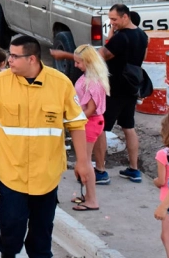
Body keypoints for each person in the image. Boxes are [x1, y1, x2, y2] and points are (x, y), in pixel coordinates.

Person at [0, 35, 90, 258]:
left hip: (47, 174)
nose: (9, 60)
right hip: (12, 174)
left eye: (15, 56)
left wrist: (83, 163)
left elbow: (77, 123)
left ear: (32, 58)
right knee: (11, 227)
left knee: (41, 236)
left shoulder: (60, 84)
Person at [51, 3, 149, 184]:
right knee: (129, 126)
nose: (111, 22)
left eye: (114, 19)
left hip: (115, 88)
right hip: (132, 86)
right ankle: (134, 169)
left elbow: (96, 57)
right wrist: (113, 31)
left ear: (125, 17)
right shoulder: (141, 35)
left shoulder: (121, 39)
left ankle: (101, 170)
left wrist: (64, 54)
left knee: (101, 128)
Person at [70, 44, 109, 212]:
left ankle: (92, 200)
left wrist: (74, 120)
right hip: (90, 122)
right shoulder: (91, 77)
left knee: (85, 162)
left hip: (90, 122)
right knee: (84, 161)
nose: (76, 65)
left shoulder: (92, 81)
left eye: (79, 62)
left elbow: (90, 110)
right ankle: (87, 195)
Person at [153, 110, 169, 258]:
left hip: (168, 199)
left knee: (167, 236)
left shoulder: (163, 154)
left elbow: (162, 181)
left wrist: (163, 206)